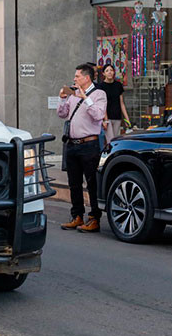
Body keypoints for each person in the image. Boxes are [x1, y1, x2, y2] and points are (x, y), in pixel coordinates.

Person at [57, 63, 107, 233]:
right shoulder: (73, 94)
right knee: (74, 183)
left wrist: (86, 98)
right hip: (72, 144)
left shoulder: (99, 94)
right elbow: (62, 114)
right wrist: (63, 98)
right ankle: (77, 215)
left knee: (92, 183)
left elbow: (98, 115)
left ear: (86, 78)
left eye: (77, 76)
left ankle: (94, 218)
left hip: (89, 144)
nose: (74, 78)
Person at [98, 64, 130, 143]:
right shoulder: (101, 86)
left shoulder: (118, 85)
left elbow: (121, 103)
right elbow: (101, 104)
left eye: (111, 70)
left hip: (117, 116)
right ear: (103, 73)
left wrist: (127, 119)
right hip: (107, 118)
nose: (109, 72)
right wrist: (104, 120)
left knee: (116, 140)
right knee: (110, 140)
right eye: (107, 71)